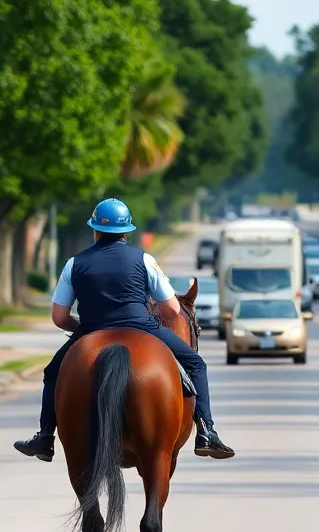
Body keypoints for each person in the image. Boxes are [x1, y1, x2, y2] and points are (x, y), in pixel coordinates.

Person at [13, 198, 234, 462]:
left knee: (52, 373)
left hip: (92, 330)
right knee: (196, 364)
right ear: (127, 231)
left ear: (94, 229)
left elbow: (59, 317)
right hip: (142, 327)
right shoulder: (144, 260)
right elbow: (173, 311)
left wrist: (81, 328)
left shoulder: (75, 263)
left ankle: (45, 437)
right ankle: (206, 432)